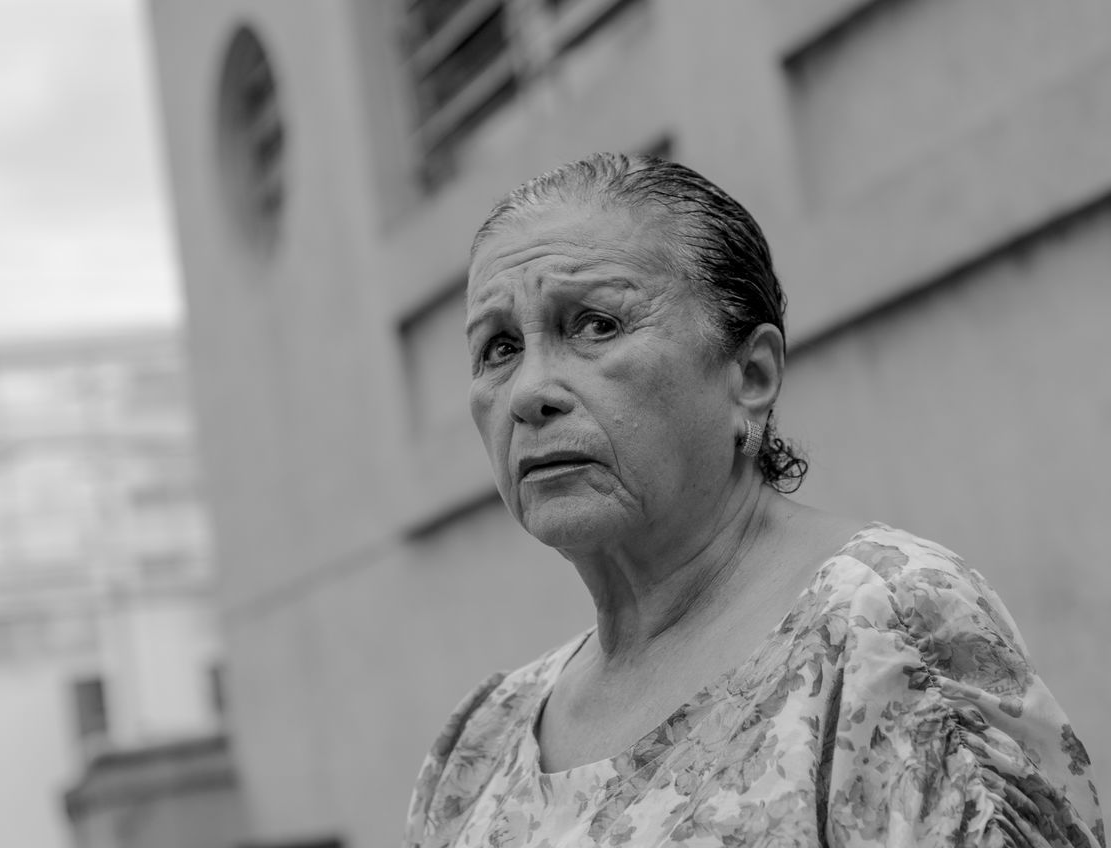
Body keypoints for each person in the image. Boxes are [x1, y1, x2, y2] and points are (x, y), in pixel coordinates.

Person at [402, 153, 1104, 847]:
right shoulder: (481, 740)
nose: (529, 394)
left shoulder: (886, 629)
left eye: (596, 325)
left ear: (751, 375)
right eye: (498, 348)